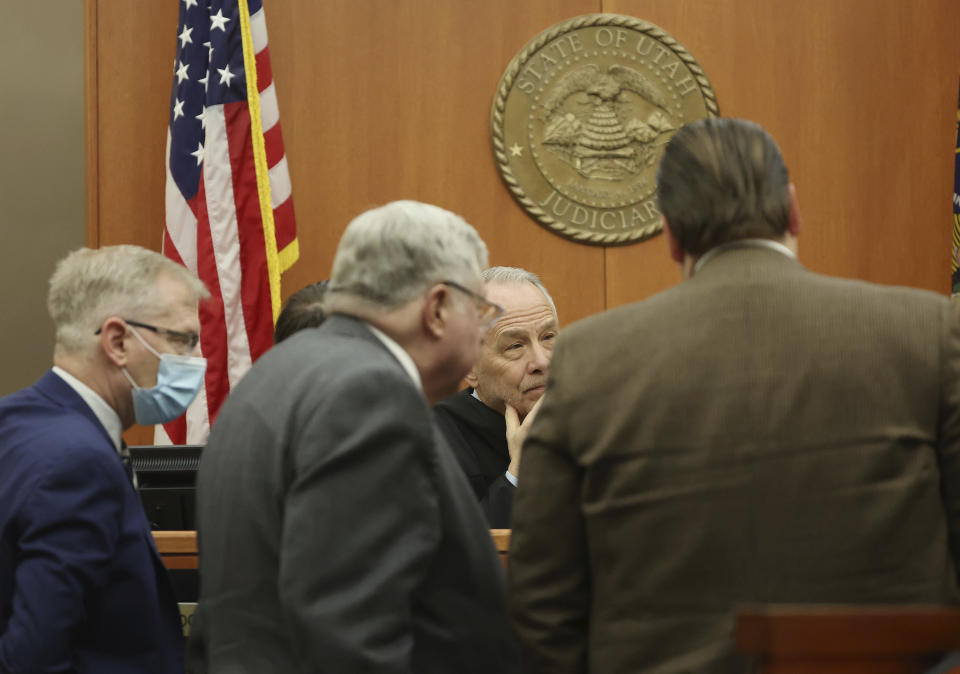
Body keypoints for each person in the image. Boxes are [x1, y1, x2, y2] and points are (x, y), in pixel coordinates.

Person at [508, 118, 960, 673]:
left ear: (671, 233)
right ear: (792, 209)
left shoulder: (589, 358)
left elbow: (543, 598)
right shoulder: (930, 333)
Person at [190, 201, 521, 673]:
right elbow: (350, 632)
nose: (481, 328)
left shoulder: (277, 373)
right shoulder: (369, 394)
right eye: (480, 310)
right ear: (438, 308)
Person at [0, 245, 209, 673]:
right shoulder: (79, 463)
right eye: (182, 339)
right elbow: (35, 657)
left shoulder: (15, 419)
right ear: (117, 341)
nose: (193, 360)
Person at [435, 266, 558, 527]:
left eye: (548, 337)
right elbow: (460, 556)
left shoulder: (597, 416)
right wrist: (520, 472)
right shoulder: (435, 439)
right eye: (515, 346)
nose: (542, 360)